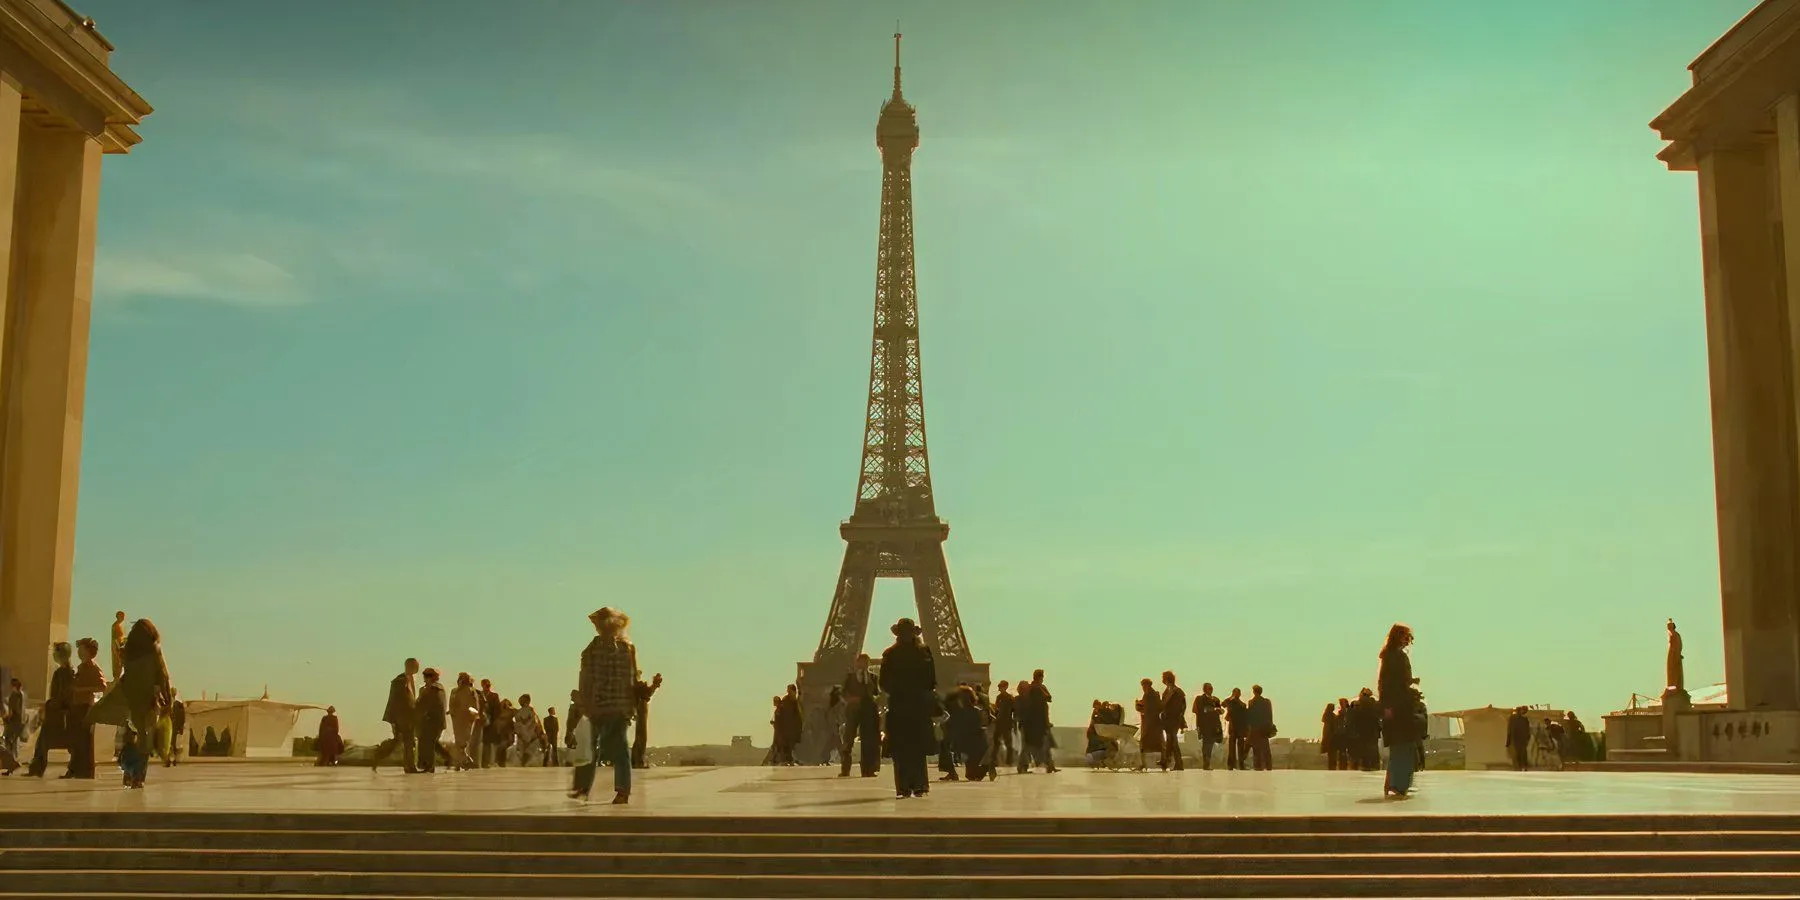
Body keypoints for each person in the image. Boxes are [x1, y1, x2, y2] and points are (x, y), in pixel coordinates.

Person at [88, 620, 171, 788]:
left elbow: (123, 673)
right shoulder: (154, 649)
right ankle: (138, 776)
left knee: (129, 736)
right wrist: (167, 698)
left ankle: (128, 771)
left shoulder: (129, 650)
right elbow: (163, 674)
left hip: (129, 697)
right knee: (144, 738)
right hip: (146, 699)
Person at [573, 607, 639, 804]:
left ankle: (621, 790)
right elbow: (585, 678)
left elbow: (631, 679)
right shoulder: (593, 649)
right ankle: (584, 787)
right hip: (599, 706)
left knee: (617, 749)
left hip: (616, 707)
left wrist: (630, 706)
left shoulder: (625, 648)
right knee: (590, 748)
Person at [880, 618, 937, 798]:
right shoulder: (924, 652)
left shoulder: (890, 654)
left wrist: (898, 691)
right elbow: (931, 679)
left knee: (901, 748)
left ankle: (903, 787)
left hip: (899, 705)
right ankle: (919, 785)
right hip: (917, 705)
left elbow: (884, 683)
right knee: (917, 748)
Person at [1379, 623, 1425, 797]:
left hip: (1398, 705)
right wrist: (1388, 706)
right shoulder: (1395, 657)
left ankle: (1395, 783)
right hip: (1400, 707)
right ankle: (1398, 784)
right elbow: (1388, 684)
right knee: (1403, 746)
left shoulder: (1391, 656)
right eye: (1406, 637)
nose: (1408, 641)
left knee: (1401, 746)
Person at [24, 643, 75, 778]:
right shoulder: (66, 672)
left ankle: (37, 768)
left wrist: (50, 705)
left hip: (58, 716)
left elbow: (63, 696)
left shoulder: (65, 673)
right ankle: (36, 768)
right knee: (42, 742)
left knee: (43, 742)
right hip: (57, 714)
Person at [66, 638, 107, 778]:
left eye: (81, 649)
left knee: (85, 740)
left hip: (86, 707)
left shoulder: (94, 668)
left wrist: (83, 690)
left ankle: (85, 771)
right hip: (76, 706)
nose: (78, 652)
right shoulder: (80, 668)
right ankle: (74, 769)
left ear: (89, 652)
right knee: (76, 739)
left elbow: (103, 686)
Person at [371, 658, 420, 773]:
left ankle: (409, 766)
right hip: (401, 719)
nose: (418, 668)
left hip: (409, 718)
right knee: (400, 742)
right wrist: (393, 721)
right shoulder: (399, 681)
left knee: (408, 742)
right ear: (410, 666)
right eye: (416, 665)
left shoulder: (410, 679)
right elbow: (393, 701)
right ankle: (379, 755)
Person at [840, 653, 882, 777]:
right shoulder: (849, 677)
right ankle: (845, 769)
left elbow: (877, 693)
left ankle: (868, 769)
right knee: (848, 740)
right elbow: (842, 693)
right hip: (853, 710)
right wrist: (850, 700)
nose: (863, 664)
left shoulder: (873, 678)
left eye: (866, 662)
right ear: (857, 663)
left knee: (868, 741)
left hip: (868, 711)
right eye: (861, 662)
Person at [416, 669, 450, 773]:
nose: (426, 678)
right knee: (428, 743)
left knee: (429, 744)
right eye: (426, 675)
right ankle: (448, 758)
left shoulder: (436, 689)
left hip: (434, 722)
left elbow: (437, 706)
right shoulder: (425, 689)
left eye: (429, 675)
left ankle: (429, 766)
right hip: (425, 722)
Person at [631, 673, 663, 769]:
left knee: (640, 734)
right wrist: (655, 685)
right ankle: (637, 760)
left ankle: (636, 760)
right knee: (641, 733)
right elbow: (646, 692)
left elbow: (647, 692)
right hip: (640, 703)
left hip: (639, 702)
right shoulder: (638, 688)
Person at [1159, 671, 1187, 771]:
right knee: (1170, 740)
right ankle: (1167, 761)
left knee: (1172, 740)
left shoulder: (1175, 691)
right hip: (1170, 720)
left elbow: (1180, 707)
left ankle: (1176, 763)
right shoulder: (1171, 690)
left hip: (1173, 720)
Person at [1191, 684, 1223, 770]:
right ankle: (1206, 763)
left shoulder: (1215, 699)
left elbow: (1219, 710)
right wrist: (1213, 709)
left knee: (1210, 743)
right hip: (1205, 724)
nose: (1211, 690)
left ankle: (1207, 762)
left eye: (1211, 688)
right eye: (1209, 688)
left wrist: (1220, 710)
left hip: (1214, 724)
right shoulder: (1200, 699)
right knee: (1206, 743)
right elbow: (1201, 710)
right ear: (1204, 689)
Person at [1134, 678, 1163, 771]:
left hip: (1151, 724)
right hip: (1151, 723)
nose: (1143, 687)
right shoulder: (1149, 695)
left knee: (1147, 744)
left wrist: (1138, 706)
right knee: (1154, 744)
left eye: (1144, 685)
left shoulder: (1151, 695)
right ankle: (1144, 763)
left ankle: (1162, 762)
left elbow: (1153, 708)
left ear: (1148, 685)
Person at [1245, 685, 1275, 770]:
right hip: (1264, 728)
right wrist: (1270, 726)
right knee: (1265, 748)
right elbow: (1269, 715)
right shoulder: (1266, 702)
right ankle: (1268, 766)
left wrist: (1249, 728)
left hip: (1254, 728)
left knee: (1256, 749)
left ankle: (1258, 766)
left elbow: (1249, 716)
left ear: (1254, 692)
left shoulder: (1251, 702)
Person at [990, 680, 1016, 769]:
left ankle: (1009, 761)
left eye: (1001, 687)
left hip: (1007, 722)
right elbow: (996, 710)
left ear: (1005, 687)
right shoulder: (999, 697)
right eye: (999, 687)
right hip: (999, 722)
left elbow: (1014, 710)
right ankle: (994, 761)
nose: (1000, 688)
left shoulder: (1010, 698)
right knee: (996, 742)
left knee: (1008, 743)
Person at [1222, 687, 1248, 770]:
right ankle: (1231, 765)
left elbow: (1244, 711)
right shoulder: (1230, 701)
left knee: (1240, 747)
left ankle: (1240, 764)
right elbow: (1223, 704)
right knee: (1232, 747)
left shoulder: (1242, 704)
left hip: (1240, 727)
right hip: (1233, 727)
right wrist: (1231, 697)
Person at [3, 677, 25, 772]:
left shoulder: (13, 695)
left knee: (9, 742)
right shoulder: (21, 694)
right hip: (20, 722)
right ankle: (15, 761)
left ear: (13, 686)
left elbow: (12, 710)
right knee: (15, 742)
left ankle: (12, 763)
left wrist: (6, 718)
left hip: (13, 722)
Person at [1506, 706, 1532, 772]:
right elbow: (1510, 729)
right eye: (1524, 711)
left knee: (1521, 752)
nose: (1524, 712)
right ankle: (1521, 766)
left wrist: (1508, 741)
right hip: (1518, 738)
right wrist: (1508, 740)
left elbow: (1527, 730)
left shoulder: (1522, 719)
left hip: (1520, 738)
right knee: (1520, 753)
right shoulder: (1514, 718)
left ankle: (1522, 766)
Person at [1320, 703, 1340, 770]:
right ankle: (1332, 767)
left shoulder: (1326, 715)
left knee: (1330, 754)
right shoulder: (1331, 716)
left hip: (1328, 736)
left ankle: (1331, 767)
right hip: (1331, 736)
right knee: (1332, 754)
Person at [109, 611, 127, 681]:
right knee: (118, 664)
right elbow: (115, 639)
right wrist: (118, 649)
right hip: (117, 647)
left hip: (119, 646)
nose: (123, 618)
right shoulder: (115, 626)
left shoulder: (118, 626)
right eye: (121, 616)